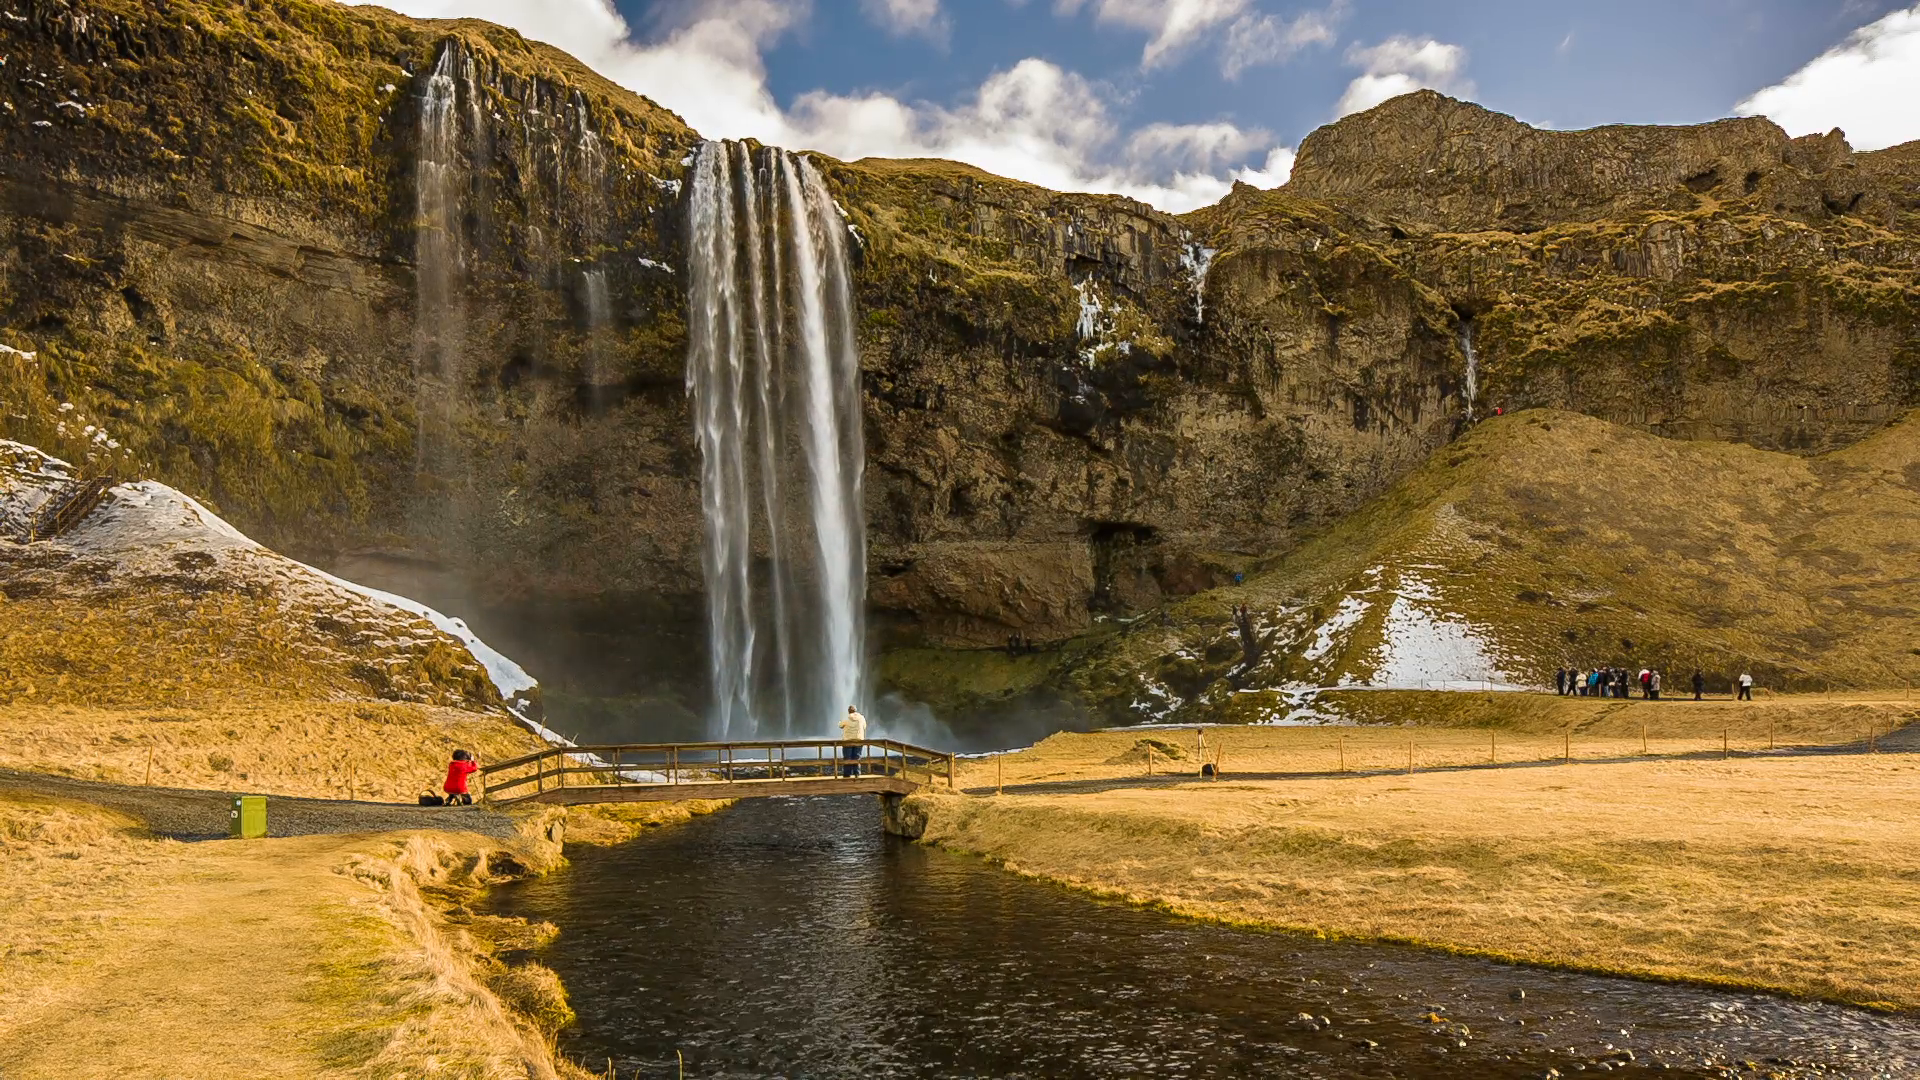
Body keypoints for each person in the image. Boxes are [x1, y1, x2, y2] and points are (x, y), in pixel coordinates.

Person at [839, 704, 867, 777]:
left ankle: (847, 774)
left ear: (848, 711)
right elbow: (864, 726)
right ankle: (857, 774)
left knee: (847, 757)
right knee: (857, 757)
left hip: (848, 740)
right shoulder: (861, 718)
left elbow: (840, 725)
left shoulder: (846, 718)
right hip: (858, 740)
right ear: (856, 711)